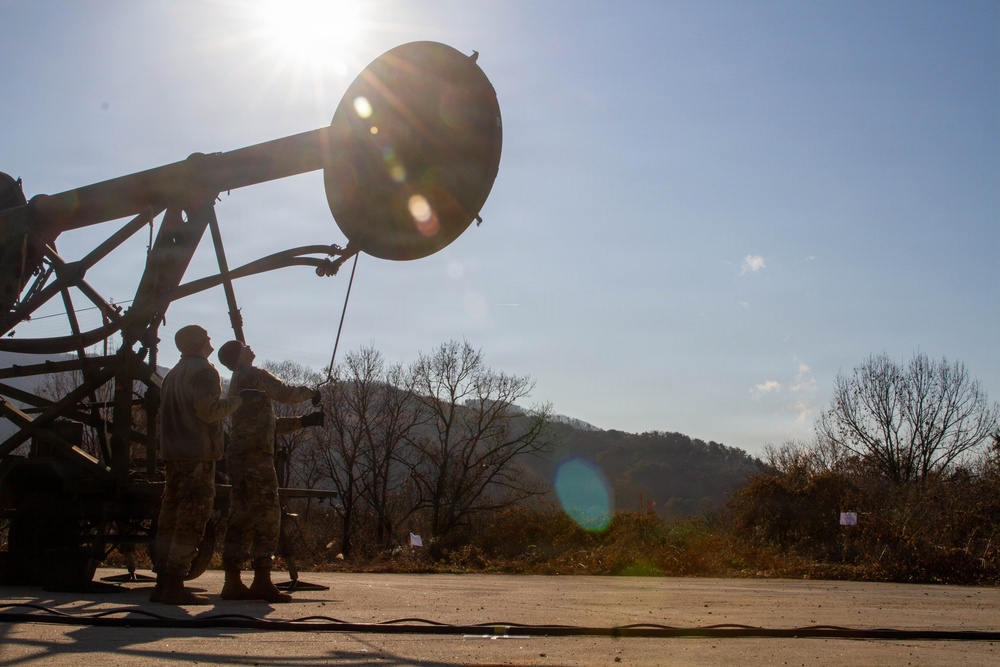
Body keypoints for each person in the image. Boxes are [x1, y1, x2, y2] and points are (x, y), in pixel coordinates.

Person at [152, 325, 258, 605]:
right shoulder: (204, 372)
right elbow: (209, 412)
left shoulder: (172, 375)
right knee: (192, 519)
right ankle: (175, 582)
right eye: (207, 337)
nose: (211, 340)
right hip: (196, 456)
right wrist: (238, 400)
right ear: (200, 343)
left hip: (174, 456)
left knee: (170, 518)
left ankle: (162, 581)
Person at [216, 339, 323, 603]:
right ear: (237, 355)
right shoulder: (253, 374)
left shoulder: (238, 379)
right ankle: (262, 579)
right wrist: (311, 392)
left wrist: (303, 422)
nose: (249, 346)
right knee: (267, 515)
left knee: (240, 515)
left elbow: (268, 424)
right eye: (243, 345)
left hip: (240, 457)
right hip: (256, 458)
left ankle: (232, 581)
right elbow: (286, 394)